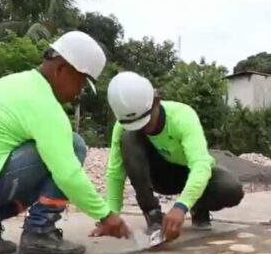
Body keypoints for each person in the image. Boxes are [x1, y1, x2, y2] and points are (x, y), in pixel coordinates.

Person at [0, 31, 131, 254]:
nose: (80, 92)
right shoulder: (44, 104)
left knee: (52, 159)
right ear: (62, 69)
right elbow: (68, 175)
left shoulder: (21, 83)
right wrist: (106, 215)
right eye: (81, 81)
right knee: (73, 146)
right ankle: (40, 232)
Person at [96, 71, 245, 242]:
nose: (143, 128)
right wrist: (110, 216)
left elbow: (200, 165)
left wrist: (181, 206)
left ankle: (198, 206)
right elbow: (115, 172)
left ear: (156, 102)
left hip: (188, 172)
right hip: (161, 176)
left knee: (230, 188)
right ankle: (153, 216)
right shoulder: (124, 125)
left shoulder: (183, 116)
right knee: (128, 137)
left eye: (145, 121)